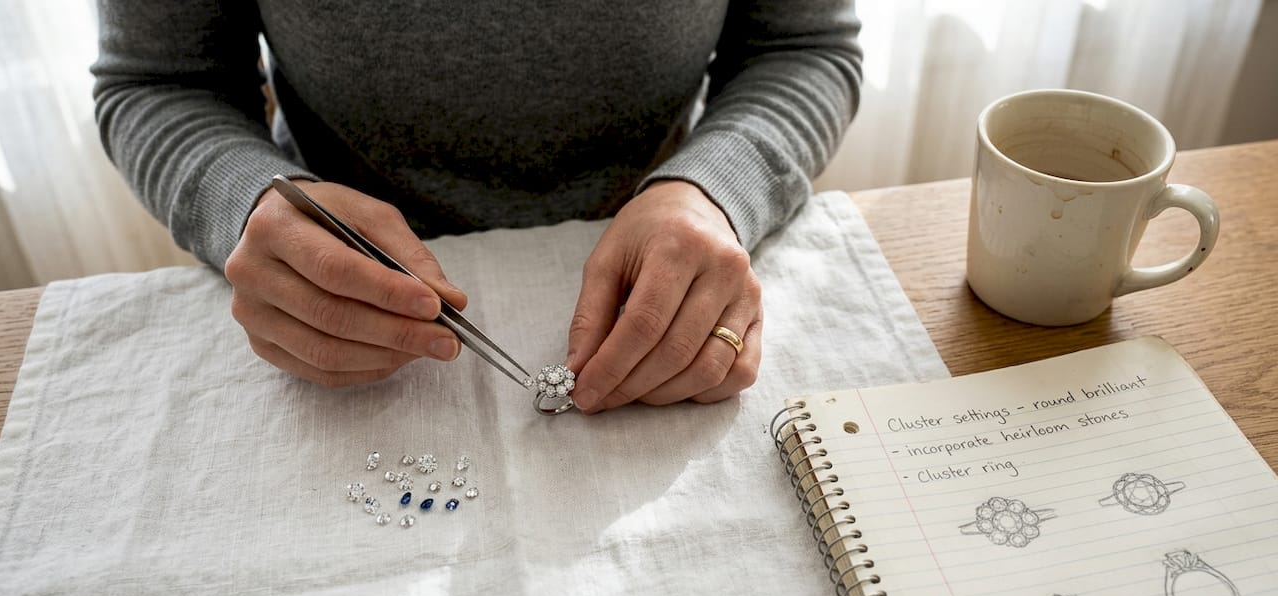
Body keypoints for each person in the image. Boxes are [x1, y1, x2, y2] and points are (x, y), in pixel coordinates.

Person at [92, 2, 863, 413]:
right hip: (338, 277)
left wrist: (712, 193)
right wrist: (245, 198)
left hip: (658, 259)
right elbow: (160, 81)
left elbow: (802, 47)